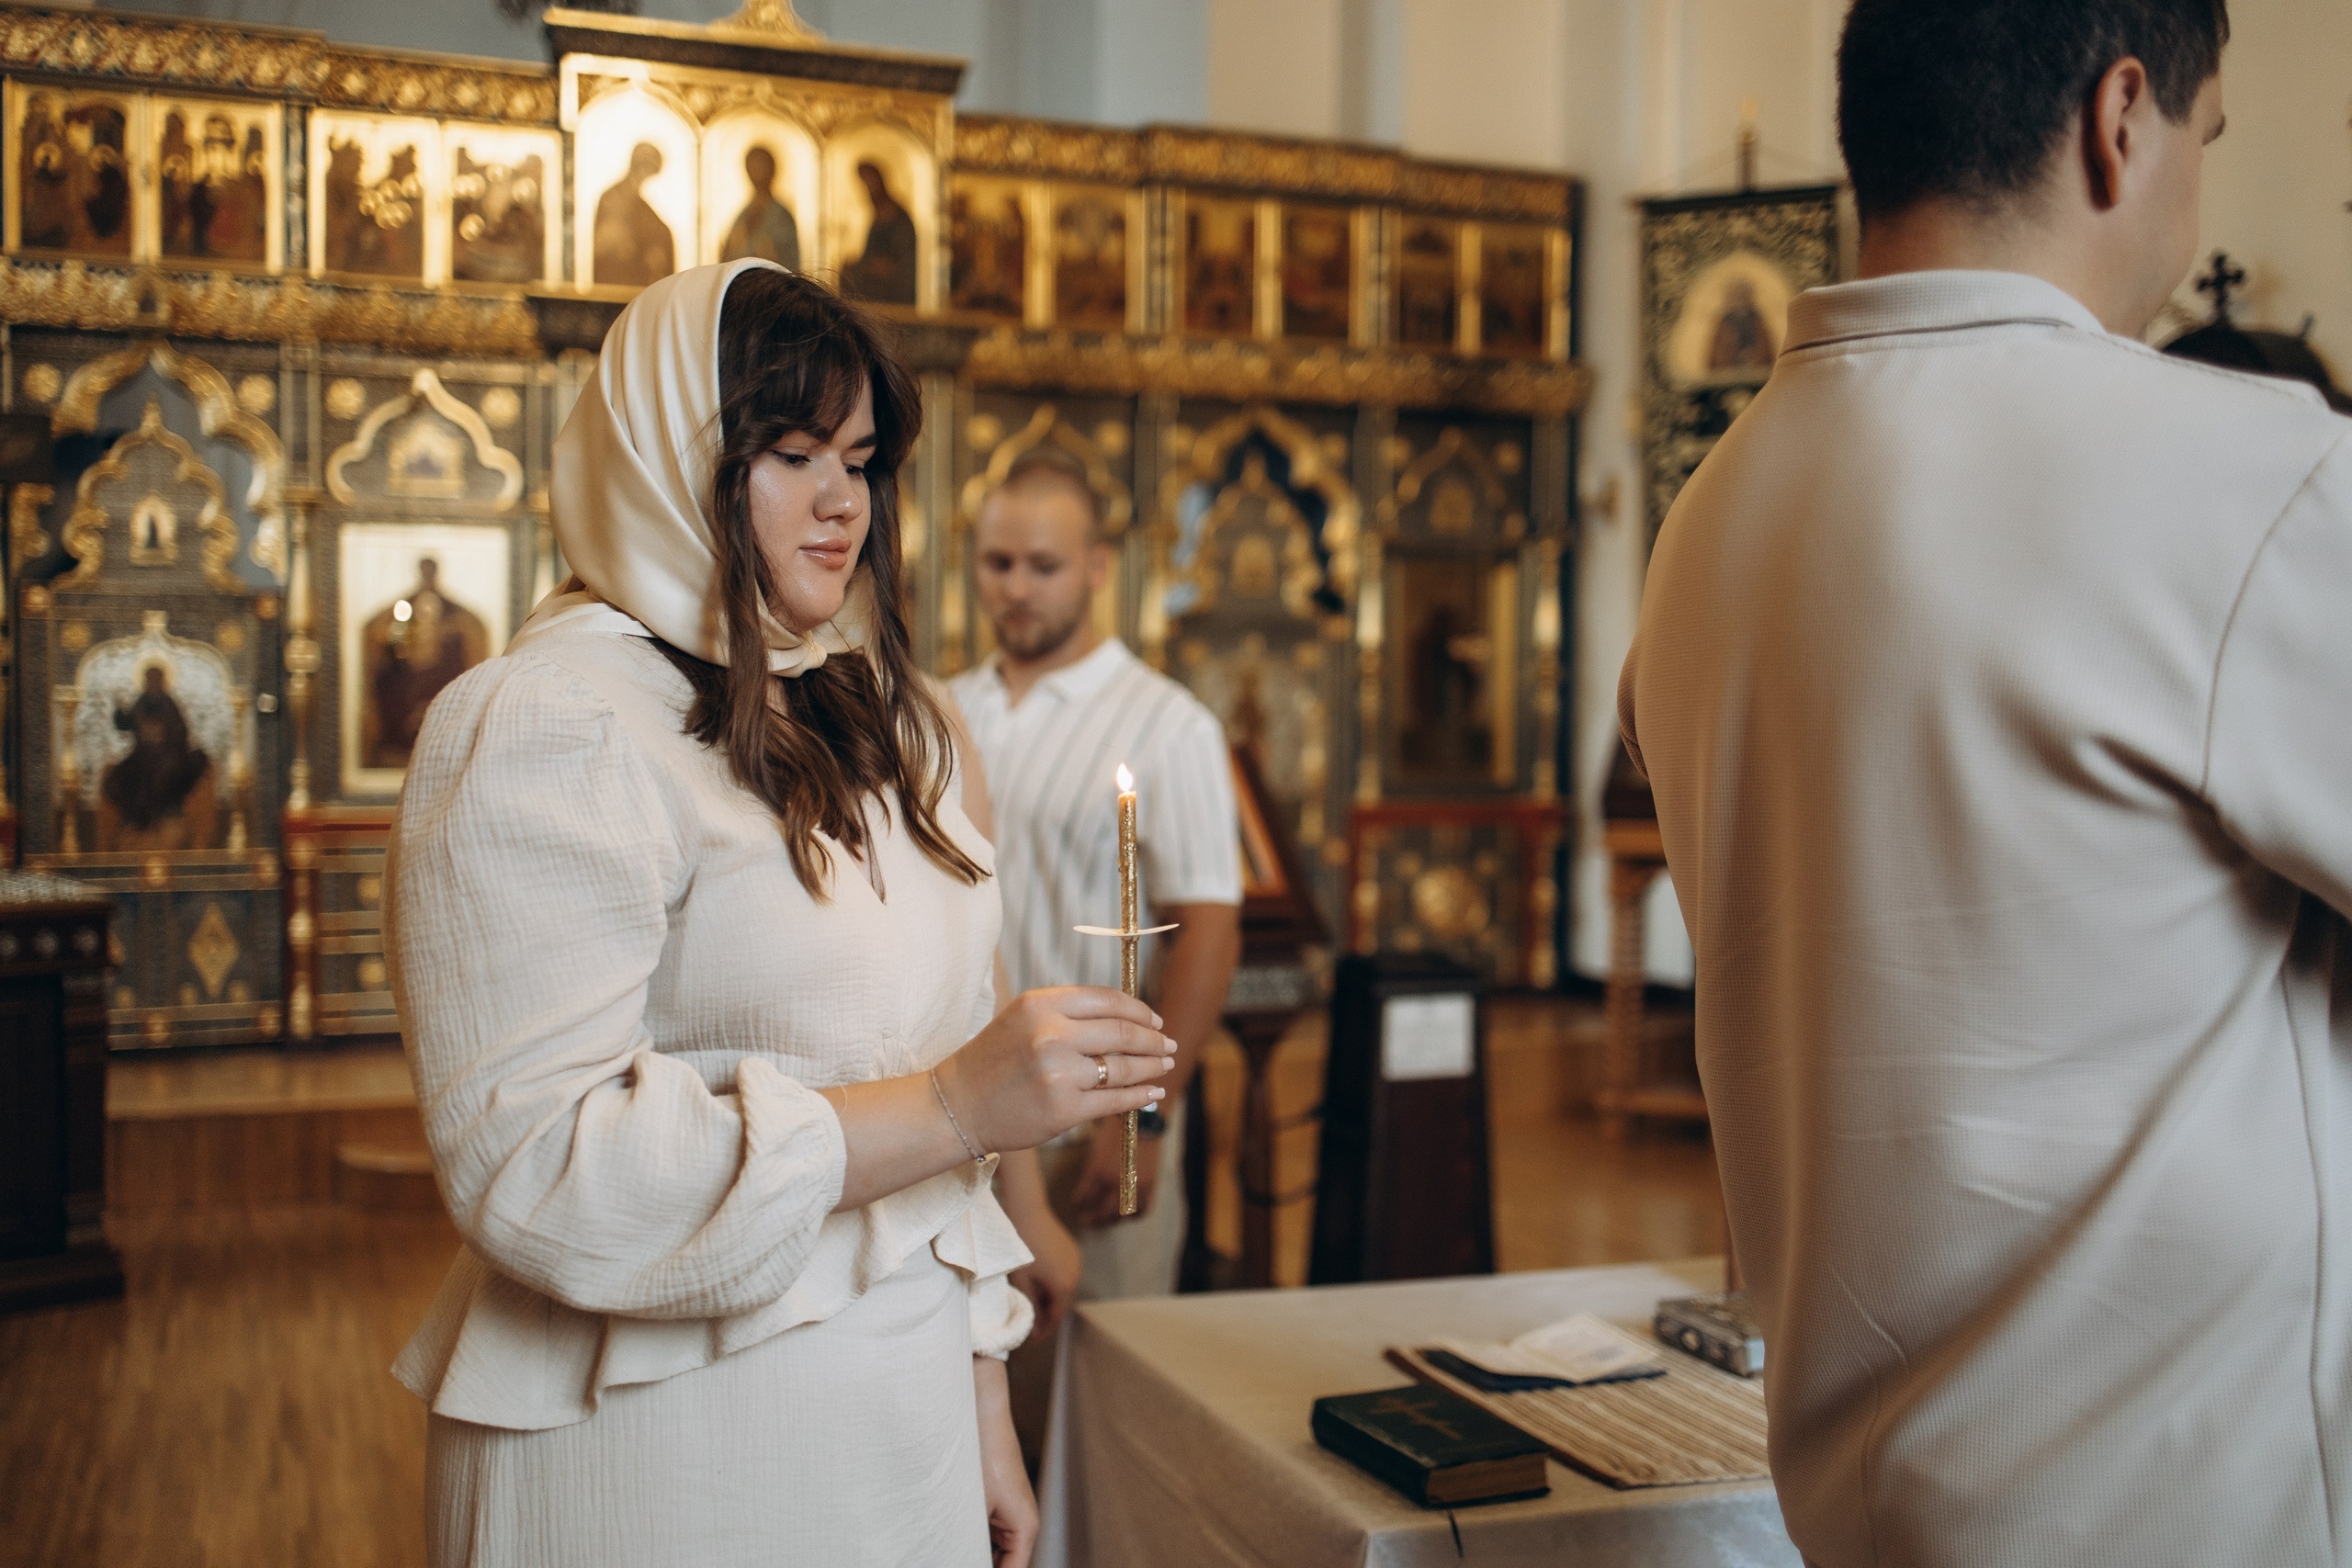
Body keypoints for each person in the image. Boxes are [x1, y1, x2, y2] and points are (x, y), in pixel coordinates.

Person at [1620, 2, 2352, 1563]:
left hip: (1868, 1499)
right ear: (2123, 115)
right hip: (2179, 1501)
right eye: (2205, 147)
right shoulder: (2244, 475)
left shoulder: (1709, 522)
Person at [384, 261, 1177, 1568]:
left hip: (894, 1410)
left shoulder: (882, 715)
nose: (840, 503)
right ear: (665, 455)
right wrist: (951, 1104)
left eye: (859, 460)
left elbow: (930, 1092)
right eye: (792, 452)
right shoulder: (547, 719)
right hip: (663, 1434)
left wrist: (979, 1390)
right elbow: (537, 1159)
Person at [949, 446, 1242, 1316]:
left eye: (1044, 565)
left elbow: (1208, 929)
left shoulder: (1167, 724)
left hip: (1095, 1117)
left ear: (1097, 568)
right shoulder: (944, 705)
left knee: (1104, 1369)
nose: (1017, 588)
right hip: (962, 1108)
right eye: (999, 563)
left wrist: (1145, 1115)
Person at [592, 141, 675, 288]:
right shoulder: (613, 198)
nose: (646, 176)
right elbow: (610, 242)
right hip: (620, 280)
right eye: (647, 169)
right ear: (638, 166)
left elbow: (659, 231)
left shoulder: (641, 205)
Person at [720, 144, 801, 270]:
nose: (757, 172)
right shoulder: (744, 214)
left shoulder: (780, 215)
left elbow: (788, 260)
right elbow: (729, 253)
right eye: (752, 167)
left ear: (772, 169)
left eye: (762, 166)